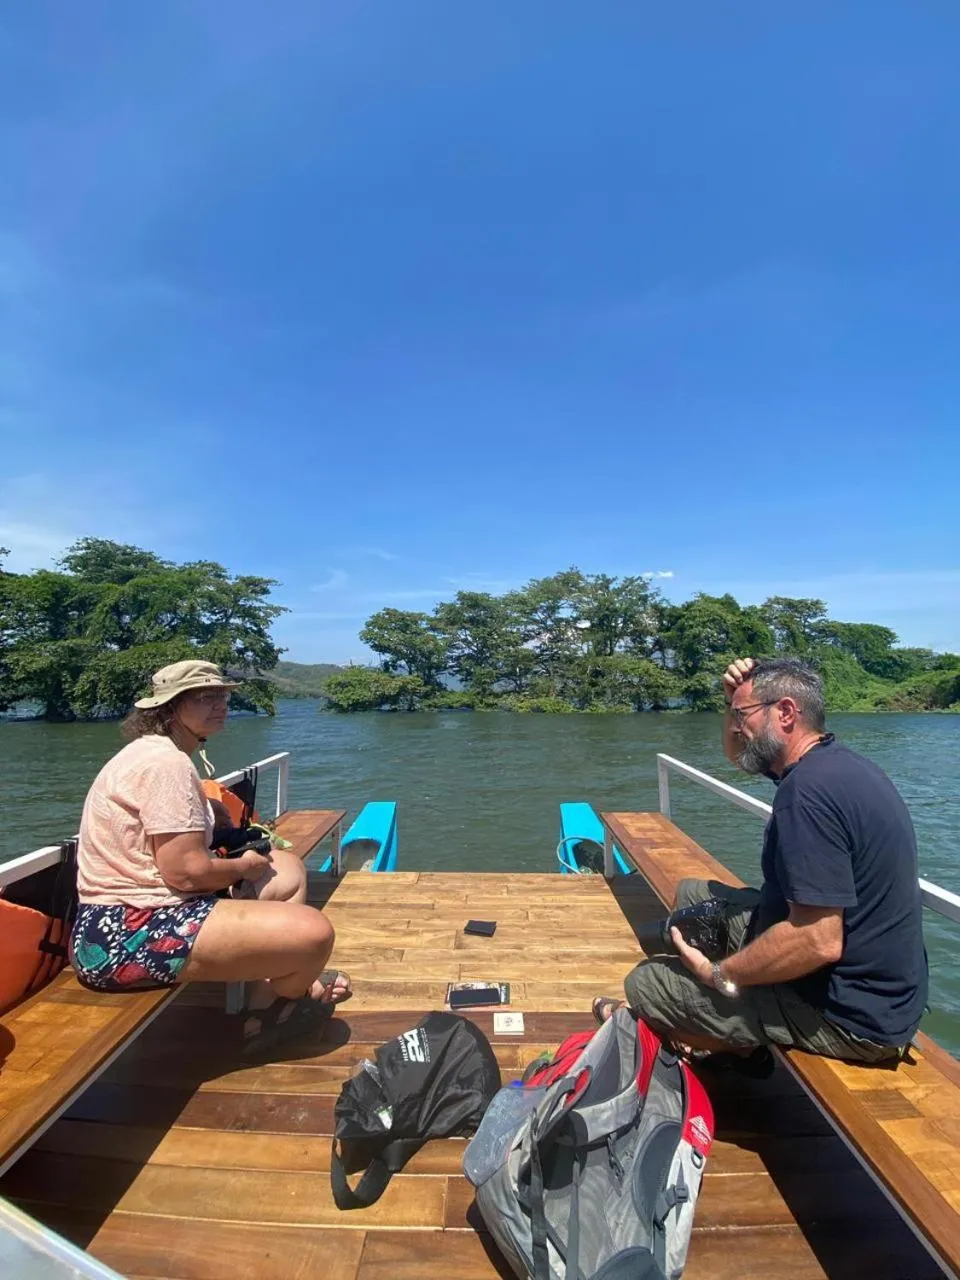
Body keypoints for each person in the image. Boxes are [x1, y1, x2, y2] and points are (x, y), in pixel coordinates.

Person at [593, 657, 928, 1067]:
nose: (737, 727)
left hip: (850, 1013)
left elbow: (818, 940)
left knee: (647, 983)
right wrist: (730, 699)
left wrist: (719, 975)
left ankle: (733, 1043)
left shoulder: (806, 796)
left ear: (786, 712)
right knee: (692, 894)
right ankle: (729, 1030)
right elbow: (739, 757)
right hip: (881, 988)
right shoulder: (832, 765)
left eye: (743, 715)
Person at [70, 659, 351, 1050]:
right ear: (169, 708)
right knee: (315, 933)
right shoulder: (163, 764)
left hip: (144, 911)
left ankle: (263, 1001)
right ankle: (290, 1000)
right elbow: (187, 873)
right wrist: (243, 865)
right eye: (204, 698)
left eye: (221, 696)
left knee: (284, 868)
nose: (220, 705)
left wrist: (210, 815)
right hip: (127, 934)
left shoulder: (159, 755)